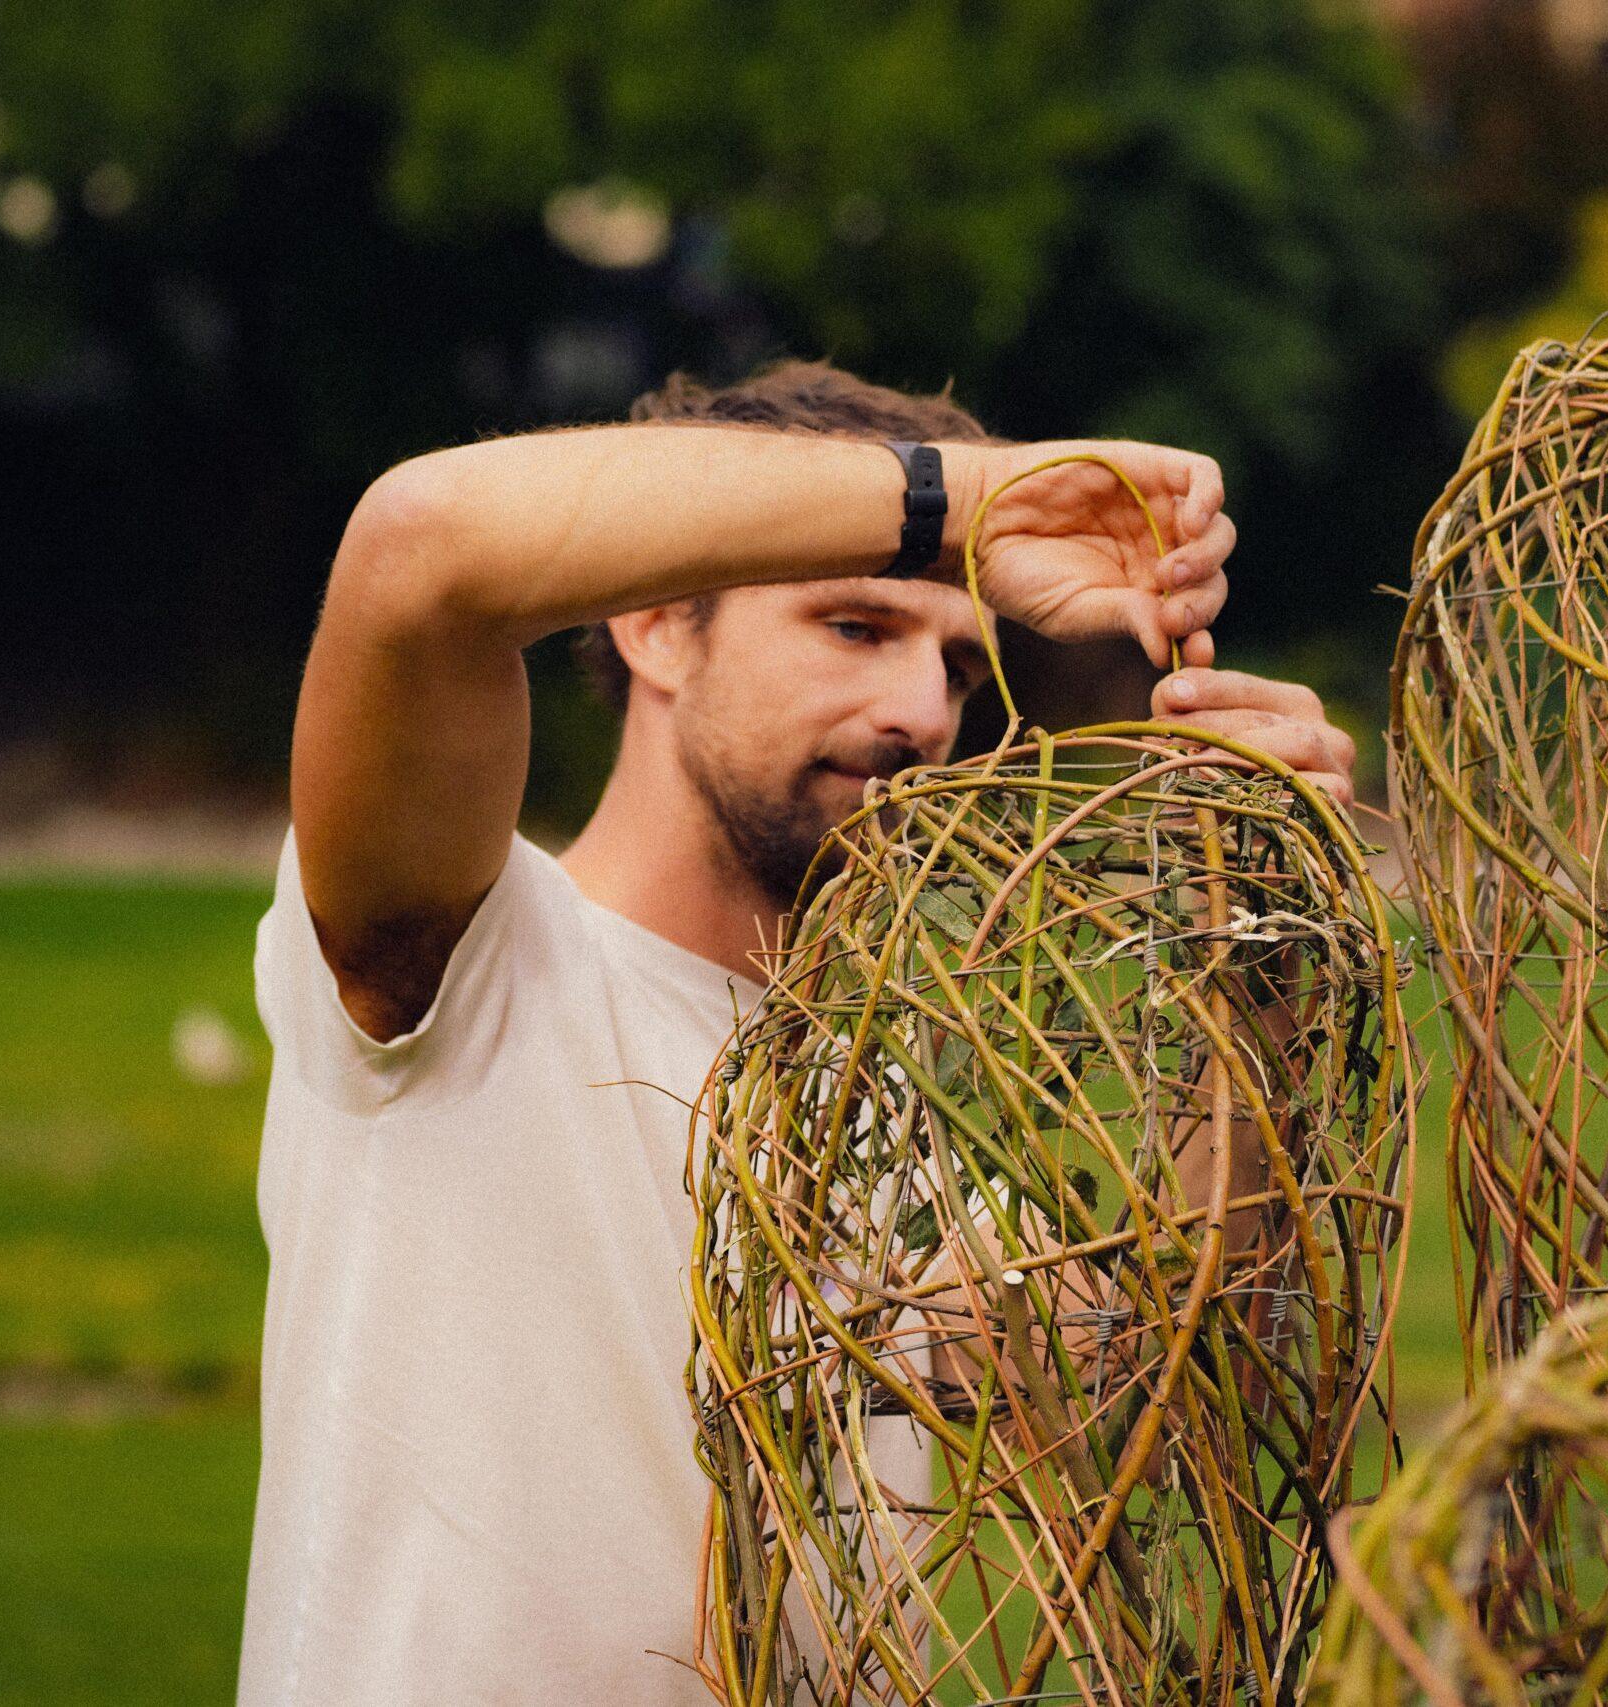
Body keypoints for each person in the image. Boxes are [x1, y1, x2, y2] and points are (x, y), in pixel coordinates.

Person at [238, 361, 1360, 1704]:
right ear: (658, 624)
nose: (924, 715)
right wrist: (966, 505)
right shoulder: (465, 966)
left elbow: (1141, 1401)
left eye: (957, 663)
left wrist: (1265, 950)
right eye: (853, 625)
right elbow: (421, 548)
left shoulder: (862, 1103)